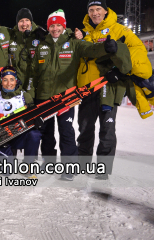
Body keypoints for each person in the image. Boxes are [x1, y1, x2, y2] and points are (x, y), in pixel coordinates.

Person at [30, 9, 124, 181]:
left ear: (63, 26)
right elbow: (34, 73)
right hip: (44, 97)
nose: (55, 28)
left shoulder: (73, 43)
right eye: (52, 25)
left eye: (59, 25)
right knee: (47, 133)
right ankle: (49, 162)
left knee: (66, 132)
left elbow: (91, 49)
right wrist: (32, 96)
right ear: (48, 27)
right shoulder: (42, 45)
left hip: (66, 97)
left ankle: (69, 167)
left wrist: (106, 47)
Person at [74, 0, 152, 179]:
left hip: (110, 87)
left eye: (98, 9)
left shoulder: (119, 29)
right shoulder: (82, 32)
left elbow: (137, 50)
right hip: (87, 88)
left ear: (105, 11)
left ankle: (103, 170)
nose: (95, 13)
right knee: (85, 128)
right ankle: (83, 166)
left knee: (107, 130)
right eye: (91, 10)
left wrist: (120, 71)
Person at [0, 66, 41, 178]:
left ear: (16, 80)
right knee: (6, 172)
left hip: (19, 136)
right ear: (1, 81)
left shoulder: (25, 96)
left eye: (12, 79)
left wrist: (36, 121)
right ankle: (6, 155)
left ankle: (28, 165)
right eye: (5, 80)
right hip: (2, 138)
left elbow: (32, 117)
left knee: (34, 134)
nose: (9, 83)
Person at [8, 8, 47, 94]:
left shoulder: (39, 35)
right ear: (17, 23)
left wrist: (47, 35)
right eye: (21, 21)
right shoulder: (11, 36)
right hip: (16, 83)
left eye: (27, 20)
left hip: (34, 84)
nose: (24, 24)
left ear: (31, 22)